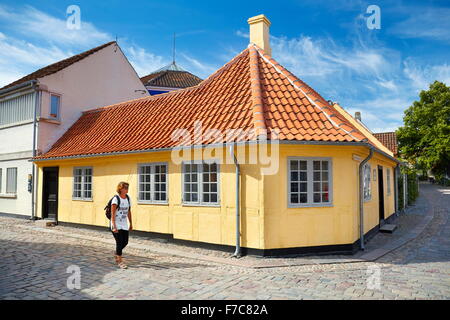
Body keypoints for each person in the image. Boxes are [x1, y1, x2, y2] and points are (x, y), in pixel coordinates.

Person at [111, 181, 133, 269]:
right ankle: (119, 261)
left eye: (128, 187)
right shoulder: (116, 199)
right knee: (119, 242)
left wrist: (131, 223)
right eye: (125, 187)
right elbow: (112, 213)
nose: (127, 189)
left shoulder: (128, 198)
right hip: (115, 223)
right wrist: (114, 226)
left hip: (124, 223)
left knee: (125, 242)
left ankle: (117, 254)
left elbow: (128, 211)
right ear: (120, 189)